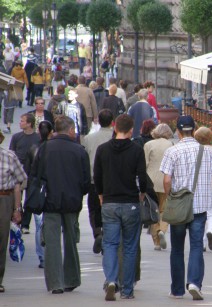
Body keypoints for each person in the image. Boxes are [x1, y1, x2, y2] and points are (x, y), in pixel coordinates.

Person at [160, 115, 212, 300]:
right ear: (194, 130)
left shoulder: (173, 151)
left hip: (179, 207)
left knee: (177, 249)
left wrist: (170, 195)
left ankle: (177, 290)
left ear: (178, 132)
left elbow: (167, 179)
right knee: (195, 247)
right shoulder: (207, 151)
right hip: (200, 207)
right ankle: (194, 282)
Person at [29, 115, 91, 294]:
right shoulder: (79, 150)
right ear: (71, 130)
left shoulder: (45, 148)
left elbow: (35, 174)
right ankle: (71, 279)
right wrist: (80, 192)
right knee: (71, 240)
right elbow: (86, 180)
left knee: (52, 243)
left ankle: (55, 282)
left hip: (50, 200)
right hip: (72, 201)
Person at [94, 114, 147, 301]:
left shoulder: (102, 150)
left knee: (110, 244)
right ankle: (127, 290)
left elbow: (97, 177)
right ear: (131, 129)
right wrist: (141, 194)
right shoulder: (137, 150)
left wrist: (101, 196)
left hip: (109, 202)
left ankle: (110, 280)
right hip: (131, 202)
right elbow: (142, 176)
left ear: (115, 128)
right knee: (130, 247)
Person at [83, 109, 114, 254]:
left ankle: (97, 232)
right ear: (112, 121)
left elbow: (84, 158)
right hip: (111, 180)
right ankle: (106, 235)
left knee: (94, 209)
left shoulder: (89, 138)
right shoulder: (115, 137)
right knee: (109, 210)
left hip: (93, 180)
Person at [0, 130, 27, 293]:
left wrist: (17, 208)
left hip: (4, 198)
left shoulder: (9, 156)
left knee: (2, 239)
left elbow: (20, 181)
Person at [25, 120, 54, 269]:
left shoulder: (33, 148)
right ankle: (49, 254)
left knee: (38, 225)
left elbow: (29, 172)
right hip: (51, 189)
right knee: (51, 223)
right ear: (51, 133)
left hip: (37, 188)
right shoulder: (53, 149)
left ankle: (42, 257)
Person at [143, 123, 173, 251]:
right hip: (165, 180)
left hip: (151, 182)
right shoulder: (171, 145)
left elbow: (144, 164)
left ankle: (156, 242)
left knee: (153, 210)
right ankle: (162, 230)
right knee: (164, 210)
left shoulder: (148, 145)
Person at [9, 113, 40, 235]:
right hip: (18, 169)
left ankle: (25, 224)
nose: (20, 123)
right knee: (17, 197)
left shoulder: (37, 138)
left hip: (32, 171)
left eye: (22, 121)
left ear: (29, 124)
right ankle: (17, 220)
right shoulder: (17, 137)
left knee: (30, 198)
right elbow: (12, 152)